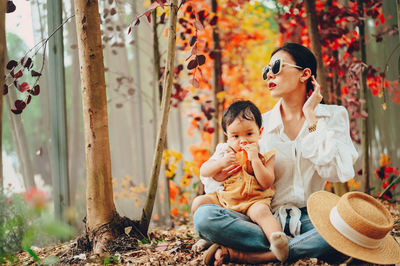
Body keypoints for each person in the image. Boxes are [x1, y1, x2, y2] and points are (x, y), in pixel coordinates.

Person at [192, 42, 359, 265]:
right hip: (264, 216)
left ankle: (252, 254)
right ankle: (292, 245)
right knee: (204, 217)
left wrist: (311, 118)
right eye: (266, 70)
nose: (269, 74)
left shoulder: (333, 116)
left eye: (277, 67)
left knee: (344, 229)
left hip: (312, 217)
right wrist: (222, 174)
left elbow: (338, 172)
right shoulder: (258, 125)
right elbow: (226, 176)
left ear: (305, 74)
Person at [191, 100, 289, 262]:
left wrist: (255, 160)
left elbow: (266, 182)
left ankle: (278, 242)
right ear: (228, 138)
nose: (242, 140)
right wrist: (221, 164)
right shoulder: (226, 153)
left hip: (254, 202)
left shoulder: (266, 155)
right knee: (199, 202)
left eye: (249, 134)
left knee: (263, 213)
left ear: (260, 132)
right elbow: (204, 171)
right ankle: (208, 236)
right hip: (226, 200)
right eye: (235, 136)